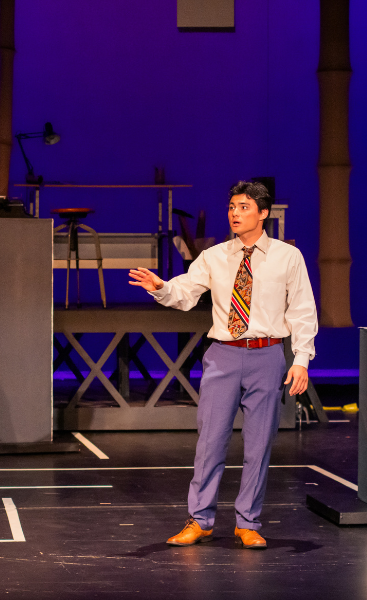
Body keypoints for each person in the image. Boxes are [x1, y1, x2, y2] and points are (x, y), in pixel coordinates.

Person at [129, 180, 318, 549]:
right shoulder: (214, 256)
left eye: (244, 207)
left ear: (263, 213)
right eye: (232, 207)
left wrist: (301, 359)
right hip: (223, 354)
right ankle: (200, 520)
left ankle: (248, 523)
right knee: (210, 442)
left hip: (267, 355)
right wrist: (160, 287)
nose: (235, 213)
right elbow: (184, 293)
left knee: (258, 445)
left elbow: (302, 309)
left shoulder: (287, 257)